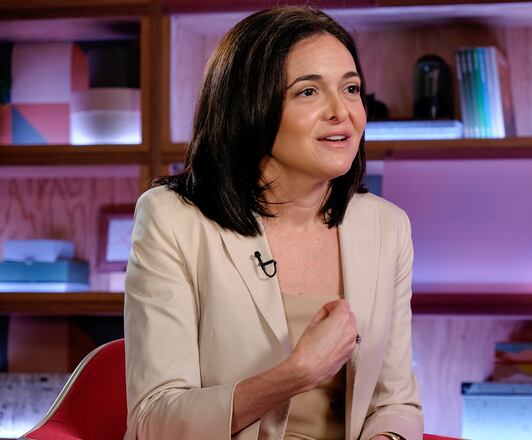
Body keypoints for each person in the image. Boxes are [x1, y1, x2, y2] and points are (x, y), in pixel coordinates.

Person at [123, 7, 423, 440]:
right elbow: (153, 422)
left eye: (351, 88)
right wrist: (296, 374)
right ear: (250, 106)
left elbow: (396, 403)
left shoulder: (387, 226)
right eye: (308, 92)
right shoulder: (172, 218)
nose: (342, 112)